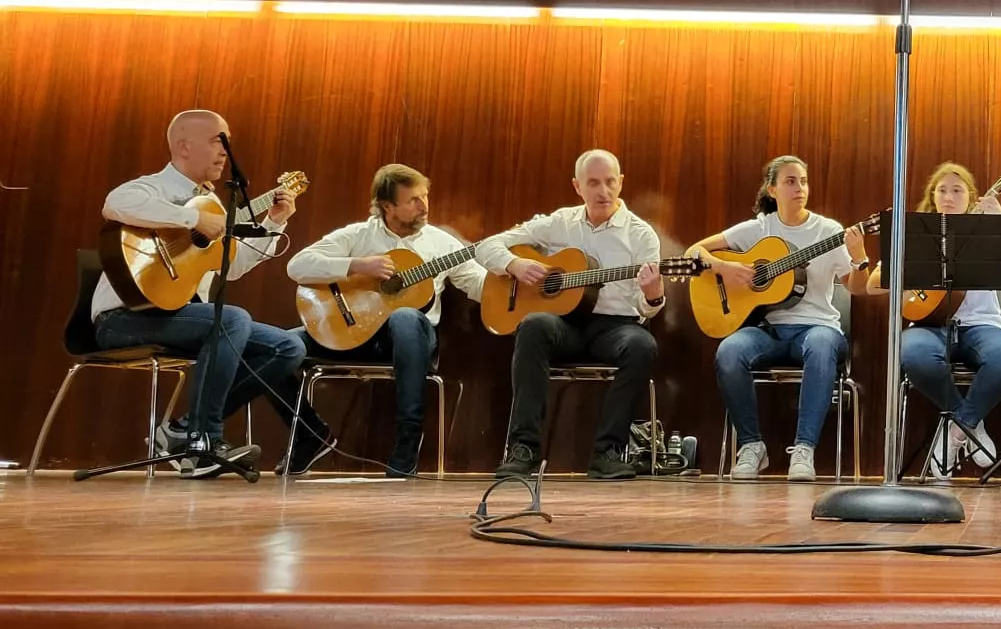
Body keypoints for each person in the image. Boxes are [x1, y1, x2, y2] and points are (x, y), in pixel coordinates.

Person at [92, 109, 323, 478]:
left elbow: (235, 264)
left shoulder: (213, 205)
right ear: (184, 146)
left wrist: (275, 220)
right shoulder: (155, 188)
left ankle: (184, 430)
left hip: (178, 315)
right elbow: (115, 204)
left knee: (287, 347)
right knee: (232, 319)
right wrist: (193, 219)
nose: (225, 153)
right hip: (124, 317)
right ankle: (203, 444)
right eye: (218, 142)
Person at [475, 150, 665, 481]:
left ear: (621, 182)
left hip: (614, 327)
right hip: (564, 324)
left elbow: (645, 307)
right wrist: (514, 264)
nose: (603, 191)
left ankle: (608, 453)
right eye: (593, 183)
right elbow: (486, 246)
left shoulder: (640, 234)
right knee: (533, 325)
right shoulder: (559, 222)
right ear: (578, 186)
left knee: (642, 346)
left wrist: (653, 294)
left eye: (610, 182)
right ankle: (523, 449)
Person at [286, 164, 487, 477]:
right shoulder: (358, 235)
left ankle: (408, 438)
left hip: (410, 342)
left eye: (424, 196)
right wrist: (358, 265)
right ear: (387, 206)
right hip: (351, 336)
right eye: (413, 200)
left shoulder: (442, 244)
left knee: (405, 317)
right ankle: (310, 434)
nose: (424, 206)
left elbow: (477, 282)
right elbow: (297, 266)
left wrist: (513, 282)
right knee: (277, 347)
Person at [689, 156, 873, 482]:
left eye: (803, 181)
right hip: (769, 330)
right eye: (790, 181)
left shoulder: (828, 231)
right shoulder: (760, 228)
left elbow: (858, 289)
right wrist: (725, 268)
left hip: (819, 327)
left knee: (820, 345)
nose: (799, 188)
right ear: (772, 190)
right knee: (729, 351)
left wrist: (860, 259)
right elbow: (694, 251)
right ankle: (751, 446)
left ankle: (804, 449)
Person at [868, 162, 1001, 480]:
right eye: (942, 190)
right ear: (932, 196)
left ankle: (957, 428)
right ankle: (970, 422)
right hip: (929, 326)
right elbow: (873, 283)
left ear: (972, 198)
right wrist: (907, 277)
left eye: (957, 190)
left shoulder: (988, 231)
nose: (949, 197)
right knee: (912, 352)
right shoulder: (917, 233)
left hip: (981, 325)